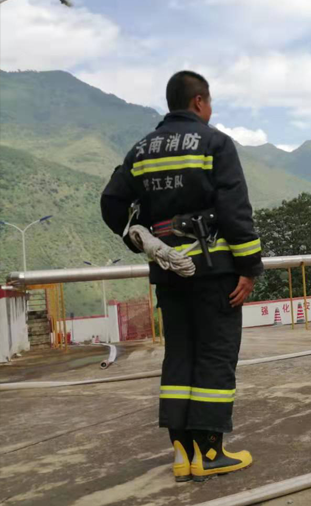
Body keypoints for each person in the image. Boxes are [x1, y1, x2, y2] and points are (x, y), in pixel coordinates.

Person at [101, 71, 261, 482]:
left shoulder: (141, 150)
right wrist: (249, 267)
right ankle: (210, 453)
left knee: (179, 355)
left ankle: (183, 454)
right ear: (199, 102)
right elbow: (235, 210)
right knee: (214, 356)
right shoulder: (213, 143)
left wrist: (139, 237)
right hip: (214, 273)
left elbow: (112, 202)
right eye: (210, 103)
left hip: (168, 273)